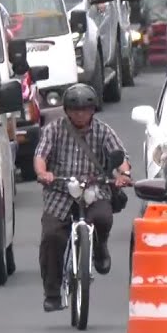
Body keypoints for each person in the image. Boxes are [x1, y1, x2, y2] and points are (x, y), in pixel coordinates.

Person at [33, 83, 132, 312]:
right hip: (60, 190)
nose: (80, 114)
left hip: (94, 188)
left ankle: (99, 248)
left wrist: (123, 174)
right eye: (75, 109)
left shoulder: (103, 131)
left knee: (103, 217)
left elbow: (121, 156)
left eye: (85, 109)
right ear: (66, 110)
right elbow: (41, 155)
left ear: (93, 110)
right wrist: (43, 173)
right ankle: (52, 293)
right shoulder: (54, 130)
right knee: (52, 236)